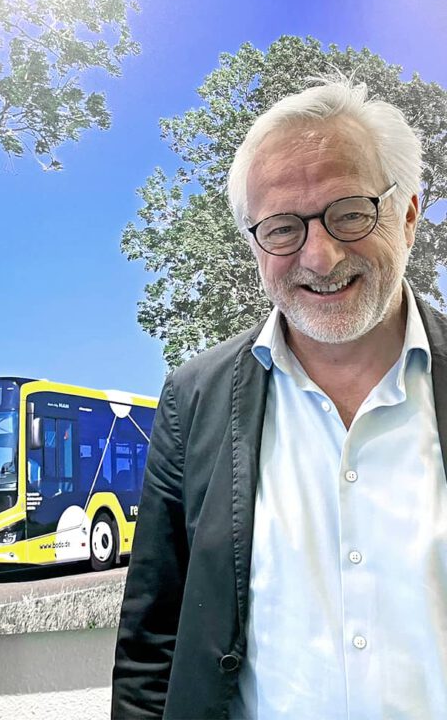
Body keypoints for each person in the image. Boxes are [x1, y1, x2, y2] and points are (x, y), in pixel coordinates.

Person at [112, 76, 447, 719]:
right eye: (283, 228)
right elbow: (153, 651)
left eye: (350, 212)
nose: (320, 256)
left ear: (407, 216)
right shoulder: (194, 401)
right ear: (254, 244)